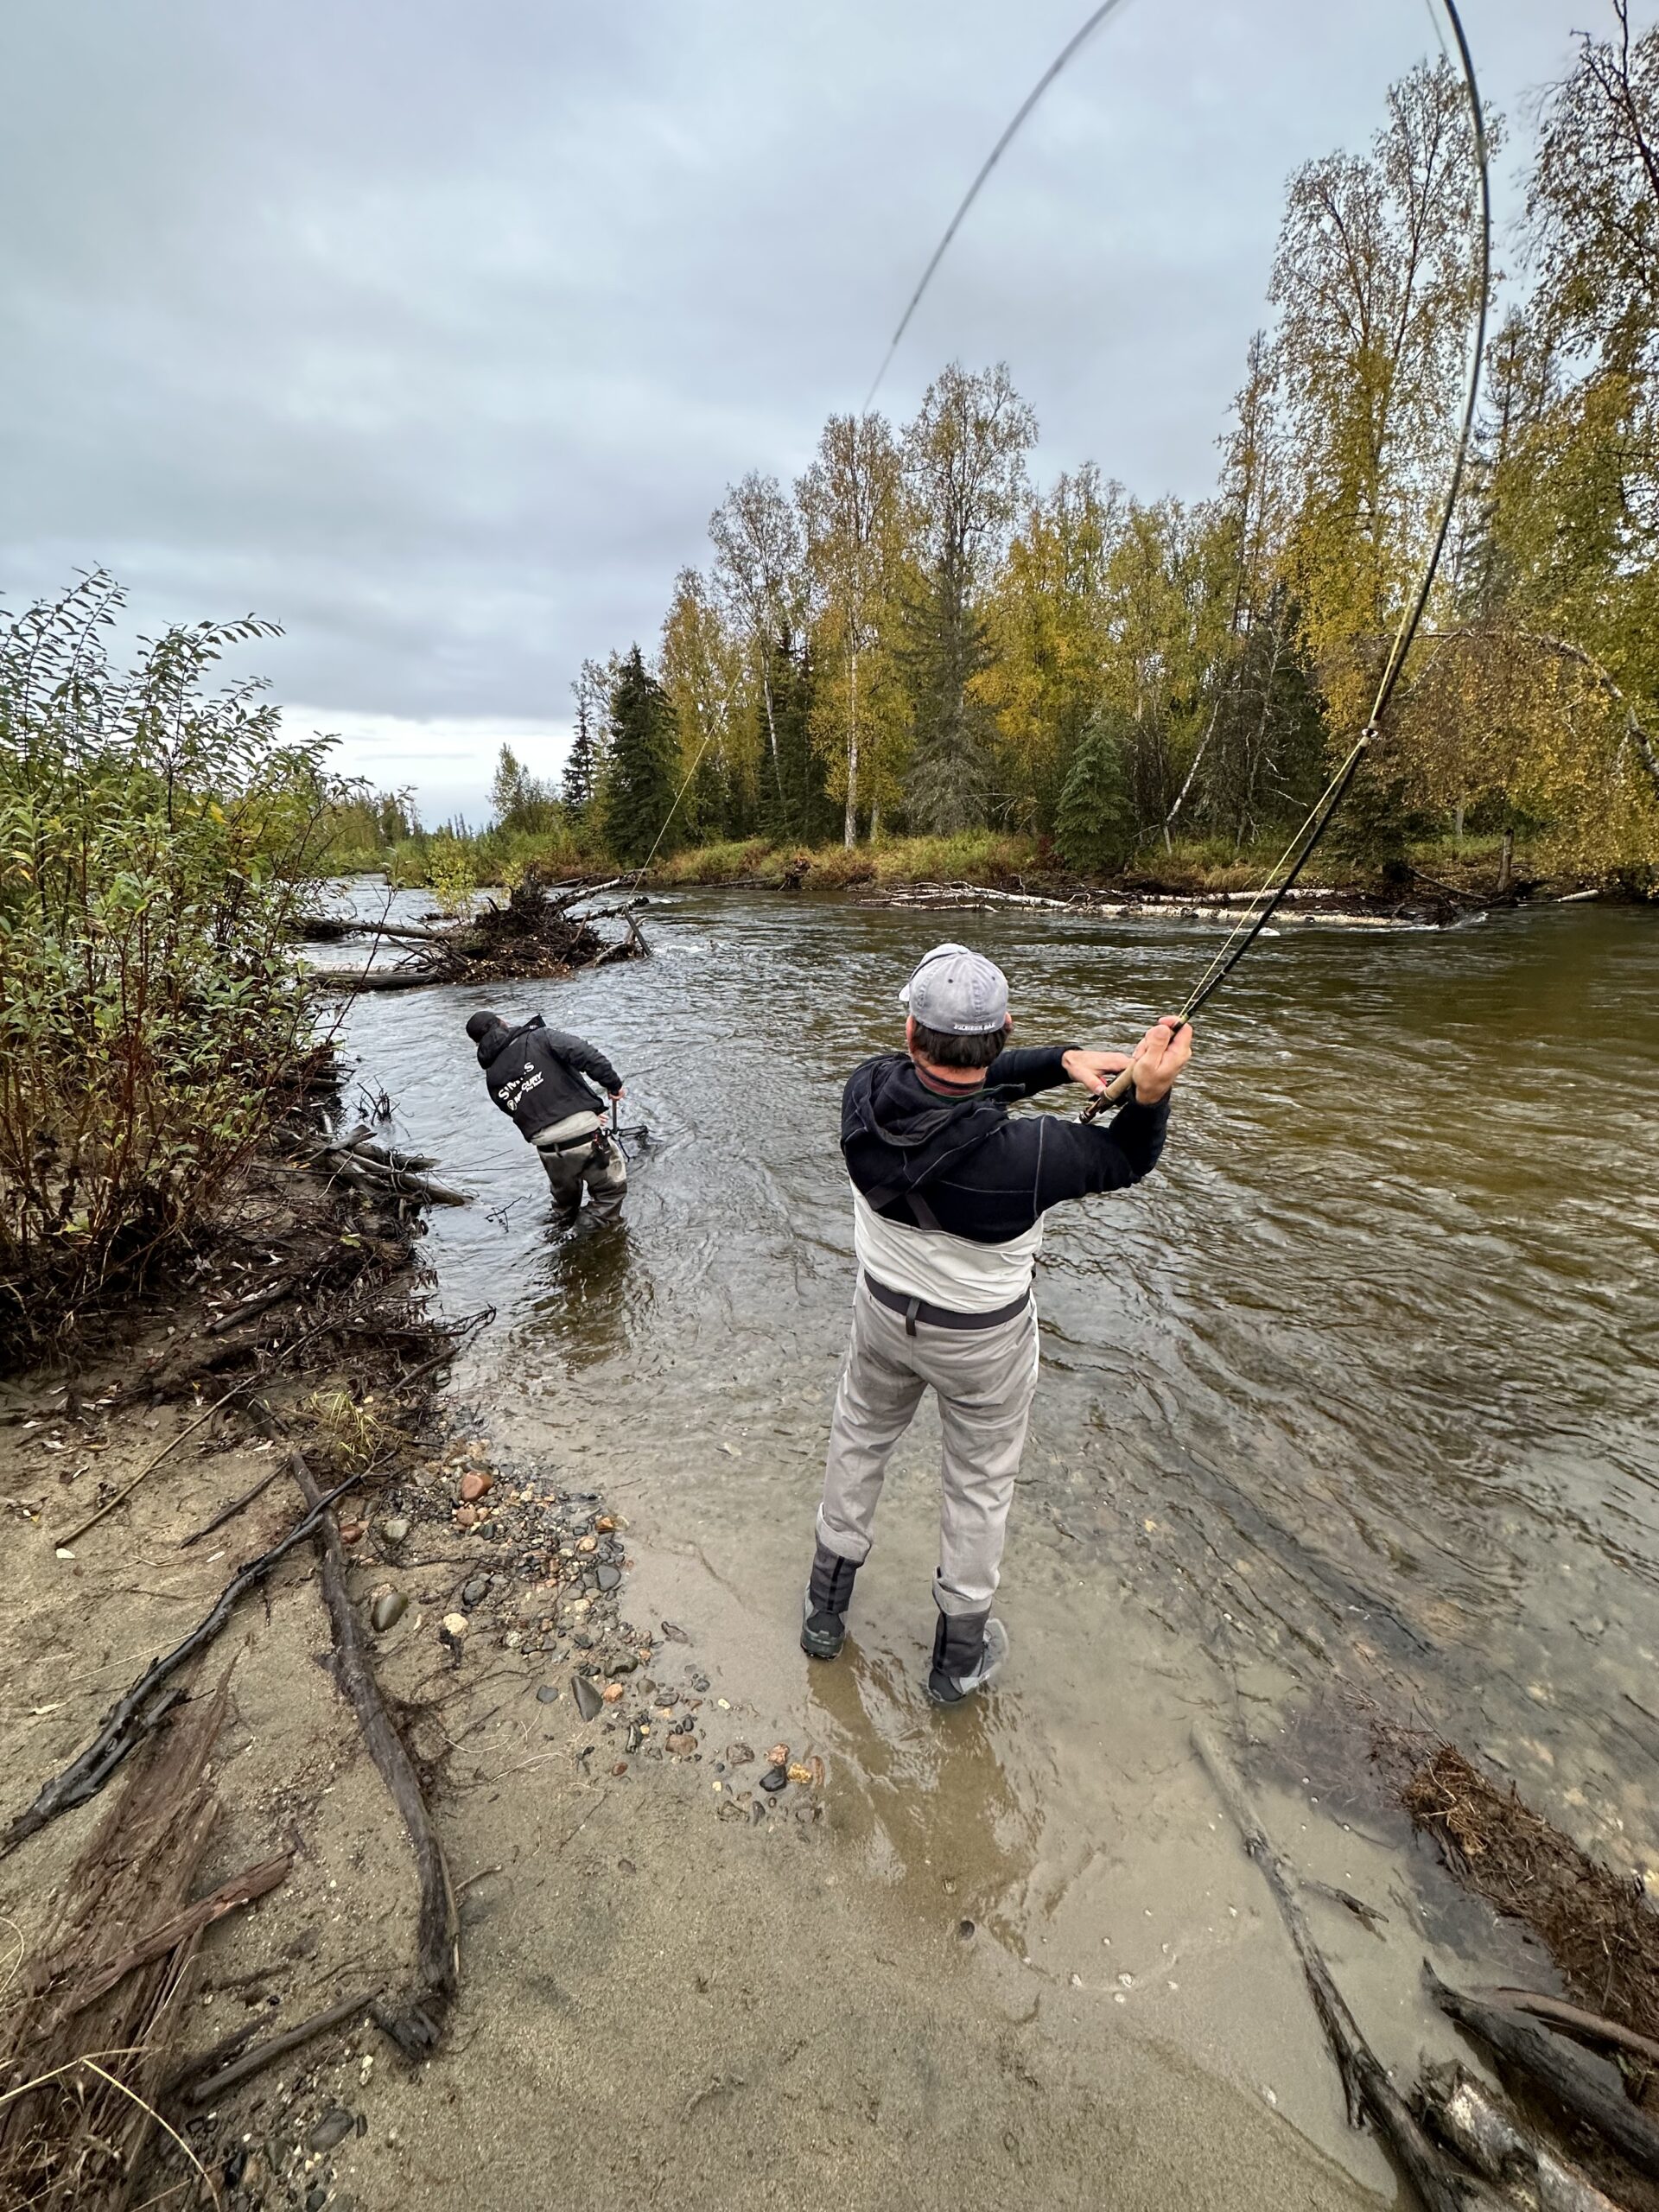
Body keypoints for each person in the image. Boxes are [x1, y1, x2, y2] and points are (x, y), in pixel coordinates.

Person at [802, 943, 1192, 1705]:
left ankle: (824, 1613)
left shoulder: (864, 1093)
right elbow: (1128, 1160)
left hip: (881, 1313)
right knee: (978, 1488)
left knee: (858, 1440)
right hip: (984, 1341)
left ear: (911, 1031)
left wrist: (1065, 1059)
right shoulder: (1034, 1154)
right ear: (1005, 1031)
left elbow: (945, 1096)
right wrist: (1150, 1094)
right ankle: (956, 1664)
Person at [465, 1009, 628, 1227]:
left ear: (478, 1044)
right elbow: (584, 1053)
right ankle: (585, 1236)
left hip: (548, 1150)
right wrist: (613, 1085)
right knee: (609, 1193)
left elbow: (514, 1108)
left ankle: (560, 1241)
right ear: (502, 1023)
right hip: (584, 1138)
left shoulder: (491, 1075)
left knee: (564, 1208)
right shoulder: (539, 1037)